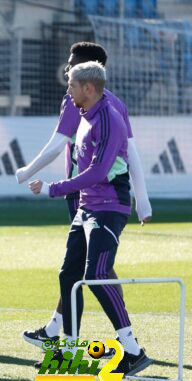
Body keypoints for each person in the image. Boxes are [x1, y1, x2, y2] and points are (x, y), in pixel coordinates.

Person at [16, 42, 151, 353]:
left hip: (91, 194)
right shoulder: (105, 104)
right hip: (86, 195)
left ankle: (124, 342)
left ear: (88, 79)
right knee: (76, 269)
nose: (66, 71)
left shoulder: (95, 108)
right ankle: (63, 336)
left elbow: (62, 147)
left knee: (93, 270)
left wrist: (33, 176)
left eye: (72, 67)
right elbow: (132, 154)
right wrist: (143, 201)